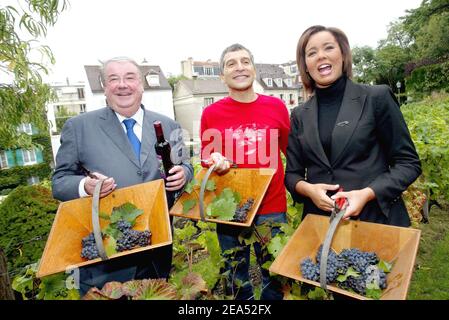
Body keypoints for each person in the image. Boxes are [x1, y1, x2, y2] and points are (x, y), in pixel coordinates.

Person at [52, 57, 193, 295]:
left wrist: (185, 174)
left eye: (130, 77)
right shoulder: (78, 127)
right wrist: (85, 186)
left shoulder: (169, 124)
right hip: (109, 253)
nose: (122, 85)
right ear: (104, 87)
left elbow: (186, 164)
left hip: (158, 244)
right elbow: (59, 182)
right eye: (113, 79)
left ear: (141, 84)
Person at [285, 25, 421, 227]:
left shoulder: (377, 98)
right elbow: (292, 175)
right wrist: (308, 190)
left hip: (376, 220)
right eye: (311, 53)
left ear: (343, 55)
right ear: (305, 65)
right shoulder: (299, 115)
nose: (321, 56)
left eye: (328, 48)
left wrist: (367, 194)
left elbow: (408, 163)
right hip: (321, 225)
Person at [200, 44, 290, 300]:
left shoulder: (276, 107)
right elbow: (207, 155)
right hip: (231, 210)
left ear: (253, 68)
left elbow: (291, 153)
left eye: (245, 61)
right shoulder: (211, 113)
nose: (239, 67)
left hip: (272, 207)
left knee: (275, 273)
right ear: (222, 75)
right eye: (231, 63)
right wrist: (212, 158)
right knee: (236, 275)